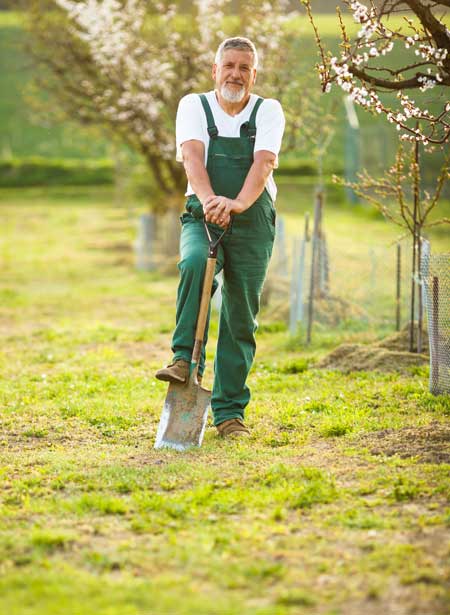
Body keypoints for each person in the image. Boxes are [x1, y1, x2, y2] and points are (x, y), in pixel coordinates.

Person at [155, 36, 285, 438]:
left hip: (252, 216)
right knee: (195, 263)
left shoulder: (269, 110)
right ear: (215, 70)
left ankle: (229, 413)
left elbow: (264, 163)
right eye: (228, 65)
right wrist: (212, 200)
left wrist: (238, 204)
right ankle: (183, 360)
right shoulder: (193, 105)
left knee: (240, 315)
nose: (236, 74)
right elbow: (192, 156)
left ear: (254, 74)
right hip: (203, 212)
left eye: (244, 67)